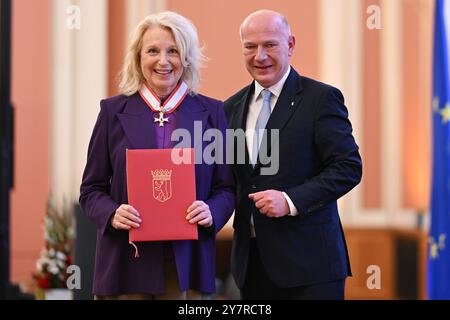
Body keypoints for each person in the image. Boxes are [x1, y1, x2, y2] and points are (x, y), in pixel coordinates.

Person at [79, 11, 234, 300]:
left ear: (186, 58)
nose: (163, 61)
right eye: (152, 50)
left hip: (185, 262)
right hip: (126, 260)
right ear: (138, 57)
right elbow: (91, 190)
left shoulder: (213, 113)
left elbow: (225, 188)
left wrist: (211, 211)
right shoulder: (112, 112)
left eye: (173, 51)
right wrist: (112, 213)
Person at [224, 9, 362, 300]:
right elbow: (232, 179)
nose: (259, 56)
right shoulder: (230, 107)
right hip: (251, 267)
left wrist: (289, 201)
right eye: (250, 46)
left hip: (311, 268)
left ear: (290, 45)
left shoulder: (321, 99)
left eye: (270, 45)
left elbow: (348, 167)